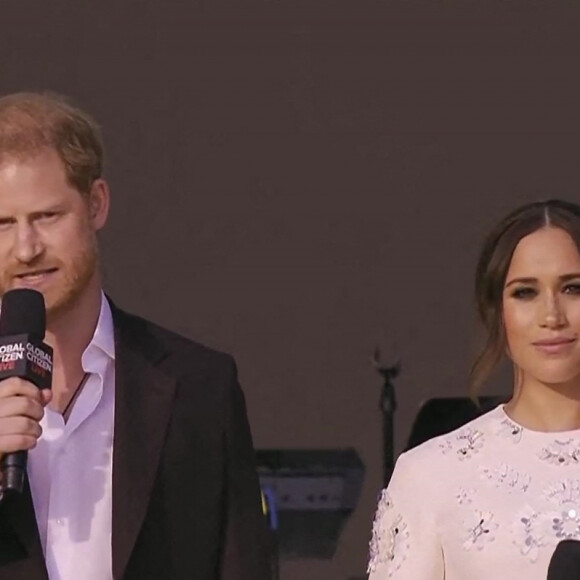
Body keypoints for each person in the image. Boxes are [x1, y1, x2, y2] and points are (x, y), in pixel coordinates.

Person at [0, 92, 271, 580]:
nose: (26, 248)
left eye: (47, 216)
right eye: (3, 223)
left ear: (96, 204)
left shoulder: (198, 387)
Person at [368, 199, 580, 579]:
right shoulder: (431, 476)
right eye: (525, 293)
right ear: (497, 310)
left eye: (573, 288)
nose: (552, 316)